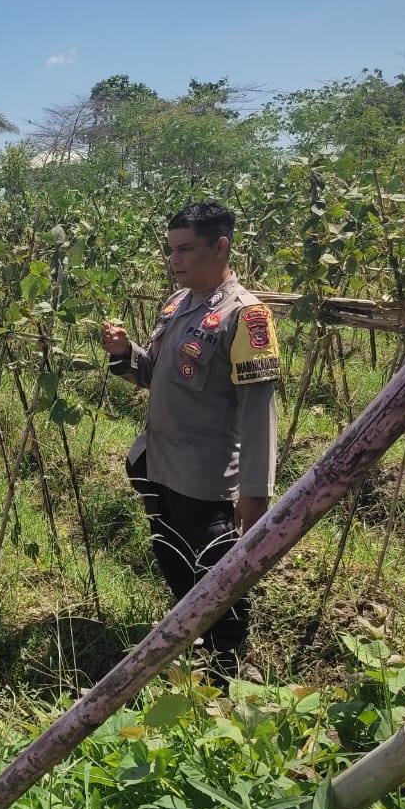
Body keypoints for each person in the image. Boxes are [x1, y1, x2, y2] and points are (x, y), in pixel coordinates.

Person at [100, 201, 280, 681]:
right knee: (173, 560)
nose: (174, 260)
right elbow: (157, 375)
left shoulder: (248, 318)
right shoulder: (177, 304)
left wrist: (254, 491)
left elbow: (259, 411)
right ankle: (192, 643)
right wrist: (125, 354)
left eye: (185, 249)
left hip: (207, 480)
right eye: (170, 249)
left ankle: (228, 668)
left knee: (219, 579)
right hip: (159, 465)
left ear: (220, 247)